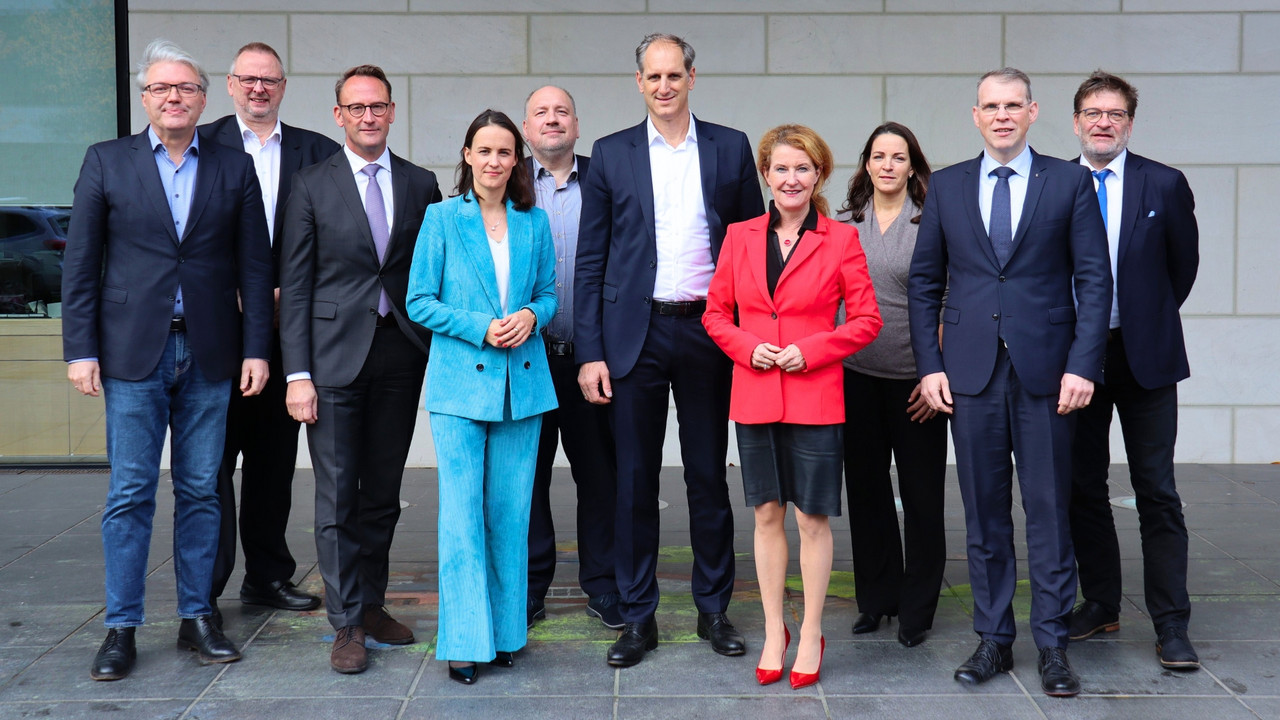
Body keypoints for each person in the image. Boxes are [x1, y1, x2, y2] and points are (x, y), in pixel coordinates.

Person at [62, 38, 273, 680]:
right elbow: (80, 262)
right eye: (160, 89)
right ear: (146, 98)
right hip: (130, 352)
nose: (173, 98)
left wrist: (258, 348)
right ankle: (121, 628)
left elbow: (255, 265)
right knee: (129, 493)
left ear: (205, 98)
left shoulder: (233, 166)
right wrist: (81, 350)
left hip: (210, 350)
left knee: (202, 490)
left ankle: (197, 616)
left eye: (185, 89)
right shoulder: (107, 160)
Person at [907, 67, 1112, 697]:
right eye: (991, 106)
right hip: (968, 373)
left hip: (1049, 374)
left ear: (1032, 112)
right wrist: (930, 366)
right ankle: (994, 639)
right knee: (984, 514)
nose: (1002, 115)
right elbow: (923, 283)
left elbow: (1094, 280)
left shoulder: (1070, 182)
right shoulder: (945, 185)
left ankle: (1051, 644)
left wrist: (1083, 364)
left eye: (1013, 105)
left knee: (1049, 510)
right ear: (976, 116)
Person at [575, 32, 765, 668]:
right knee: (634, 481)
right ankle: (638, 616)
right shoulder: (610, 153)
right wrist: (591, 352)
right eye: (652, 77)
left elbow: (753, 247)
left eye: (673, 76)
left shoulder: (730, 148)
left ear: (691, 76)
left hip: (709, 333)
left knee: (709, 476)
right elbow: (591, 260)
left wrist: (749, 335)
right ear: (638, 83)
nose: (663, 87)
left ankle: (714, 609)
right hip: (636, 336)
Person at [704, 124, 882, 689]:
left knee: (811, 517)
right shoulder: (739, 235)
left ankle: (809, 632)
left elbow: (866, 320)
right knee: (765, 514)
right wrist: (747, 347)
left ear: (819, 175)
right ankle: (774, 630)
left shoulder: (841, 239)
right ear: (766, 175)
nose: (791, 178)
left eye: (803, 168)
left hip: (814, 392)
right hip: (755, 390)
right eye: (781, 168)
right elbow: (715, 314)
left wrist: (811, 350)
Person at [278, 64, 440, 674]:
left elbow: (432, 270)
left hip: (400, 353)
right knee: (338, 497)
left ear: (393, 112)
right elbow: (293, 287)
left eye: (378, 107)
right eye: (356, 108)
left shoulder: (421, 183)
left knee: (384, 495)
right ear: (339, 116)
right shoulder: (311, 184)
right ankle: (345, 622)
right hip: (330, 362)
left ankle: (371, 604)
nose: (368, 116)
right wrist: (297, 374)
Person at [407, 109, 558, 686]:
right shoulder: (442, 218)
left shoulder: (534, 221)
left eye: (504, 152)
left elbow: (548, 294)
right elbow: (418, 300)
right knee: (462, 517)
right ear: (467, 156)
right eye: (484, 151)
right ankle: (465, 640)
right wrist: (480, 326)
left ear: (516, 160)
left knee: (509, 514)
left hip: (523, 384)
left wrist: (528, 314)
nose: (494, 161)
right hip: (460, 386)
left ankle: (505, 632)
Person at [1065, 71, 1201, 670]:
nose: (1103, 122)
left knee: (1157, 491)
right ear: (1075, 122)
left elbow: (1182, 270)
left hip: (1145, 355)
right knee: (1081, 487)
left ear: (1129, 123)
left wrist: (1141, 319)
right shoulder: (1053, 183)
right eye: (1092, 113)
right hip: (1076, 359)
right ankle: (1101, 602)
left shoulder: (1164, 184)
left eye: (1114, 114)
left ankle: (1171, 622)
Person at [202, 40, 339, 621]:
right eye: (248, 79)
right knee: (208, 465)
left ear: (283, 87)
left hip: (288, 335)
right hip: (215, 332)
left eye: (270, 80)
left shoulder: (318, 151)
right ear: (230, 85)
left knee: (272, 462)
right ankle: (203, 587)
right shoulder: (202, 144)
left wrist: (291, 289)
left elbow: (334, 235)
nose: (259, 88)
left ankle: (266, 576)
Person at [838, 122, 948, 648]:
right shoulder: (842, 223)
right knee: (867, 493)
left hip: (916, 385)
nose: (887, 165)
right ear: (866, 164)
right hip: (854, 377)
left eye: (897, 157)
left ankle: (916, 610)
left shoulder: (933, 222)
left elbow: (950, 302)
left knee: (923, 499)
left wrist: (936, 376)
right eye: (878, 155)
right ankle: (876, 599)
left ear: (912, 165)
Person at [521, 86, 622, 631]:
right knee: (528, 478)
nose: (552, 120)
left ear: (578, 125)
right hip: (528, 360)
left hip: (591, 359)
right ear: (526, 128)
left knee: (599, 477)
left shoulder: (604, 182)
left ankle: (603, 585)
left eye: (562, 111)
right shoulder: (507, 185)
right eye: (542, 112)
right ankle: (532, 587)